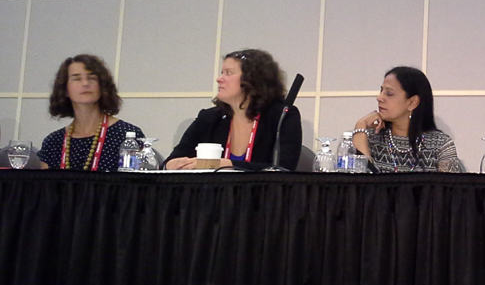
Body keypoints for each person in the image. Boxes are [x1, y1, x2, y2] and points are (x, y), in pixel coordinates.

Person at [164, 49, 302, 170]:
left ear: (252, 80)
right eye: (221, 72)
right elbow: (171, 160)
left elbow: (284, 169)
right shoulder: (209, 118)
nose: (219, 79)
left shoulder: (282, 116)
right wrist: (170, 165)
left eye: (228, 73)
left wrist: (228, 165)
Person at [37, 54, 144, 171]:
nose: (85, 83)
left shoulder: (127, 136)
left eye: (92, 78)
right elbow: (44, 188)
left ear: (102, 86)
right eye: (77, 78)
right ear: (65, 89)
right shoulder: (53, 142)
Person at [352, 66, 464, 173]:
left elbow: (451, 189)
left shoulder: (440, 144)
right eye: (381, 91)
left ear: (412, 102)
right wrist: (360, 128)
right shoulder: (369, 138)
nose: (379, 98)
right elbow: (359, 186)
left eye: (389, 93)